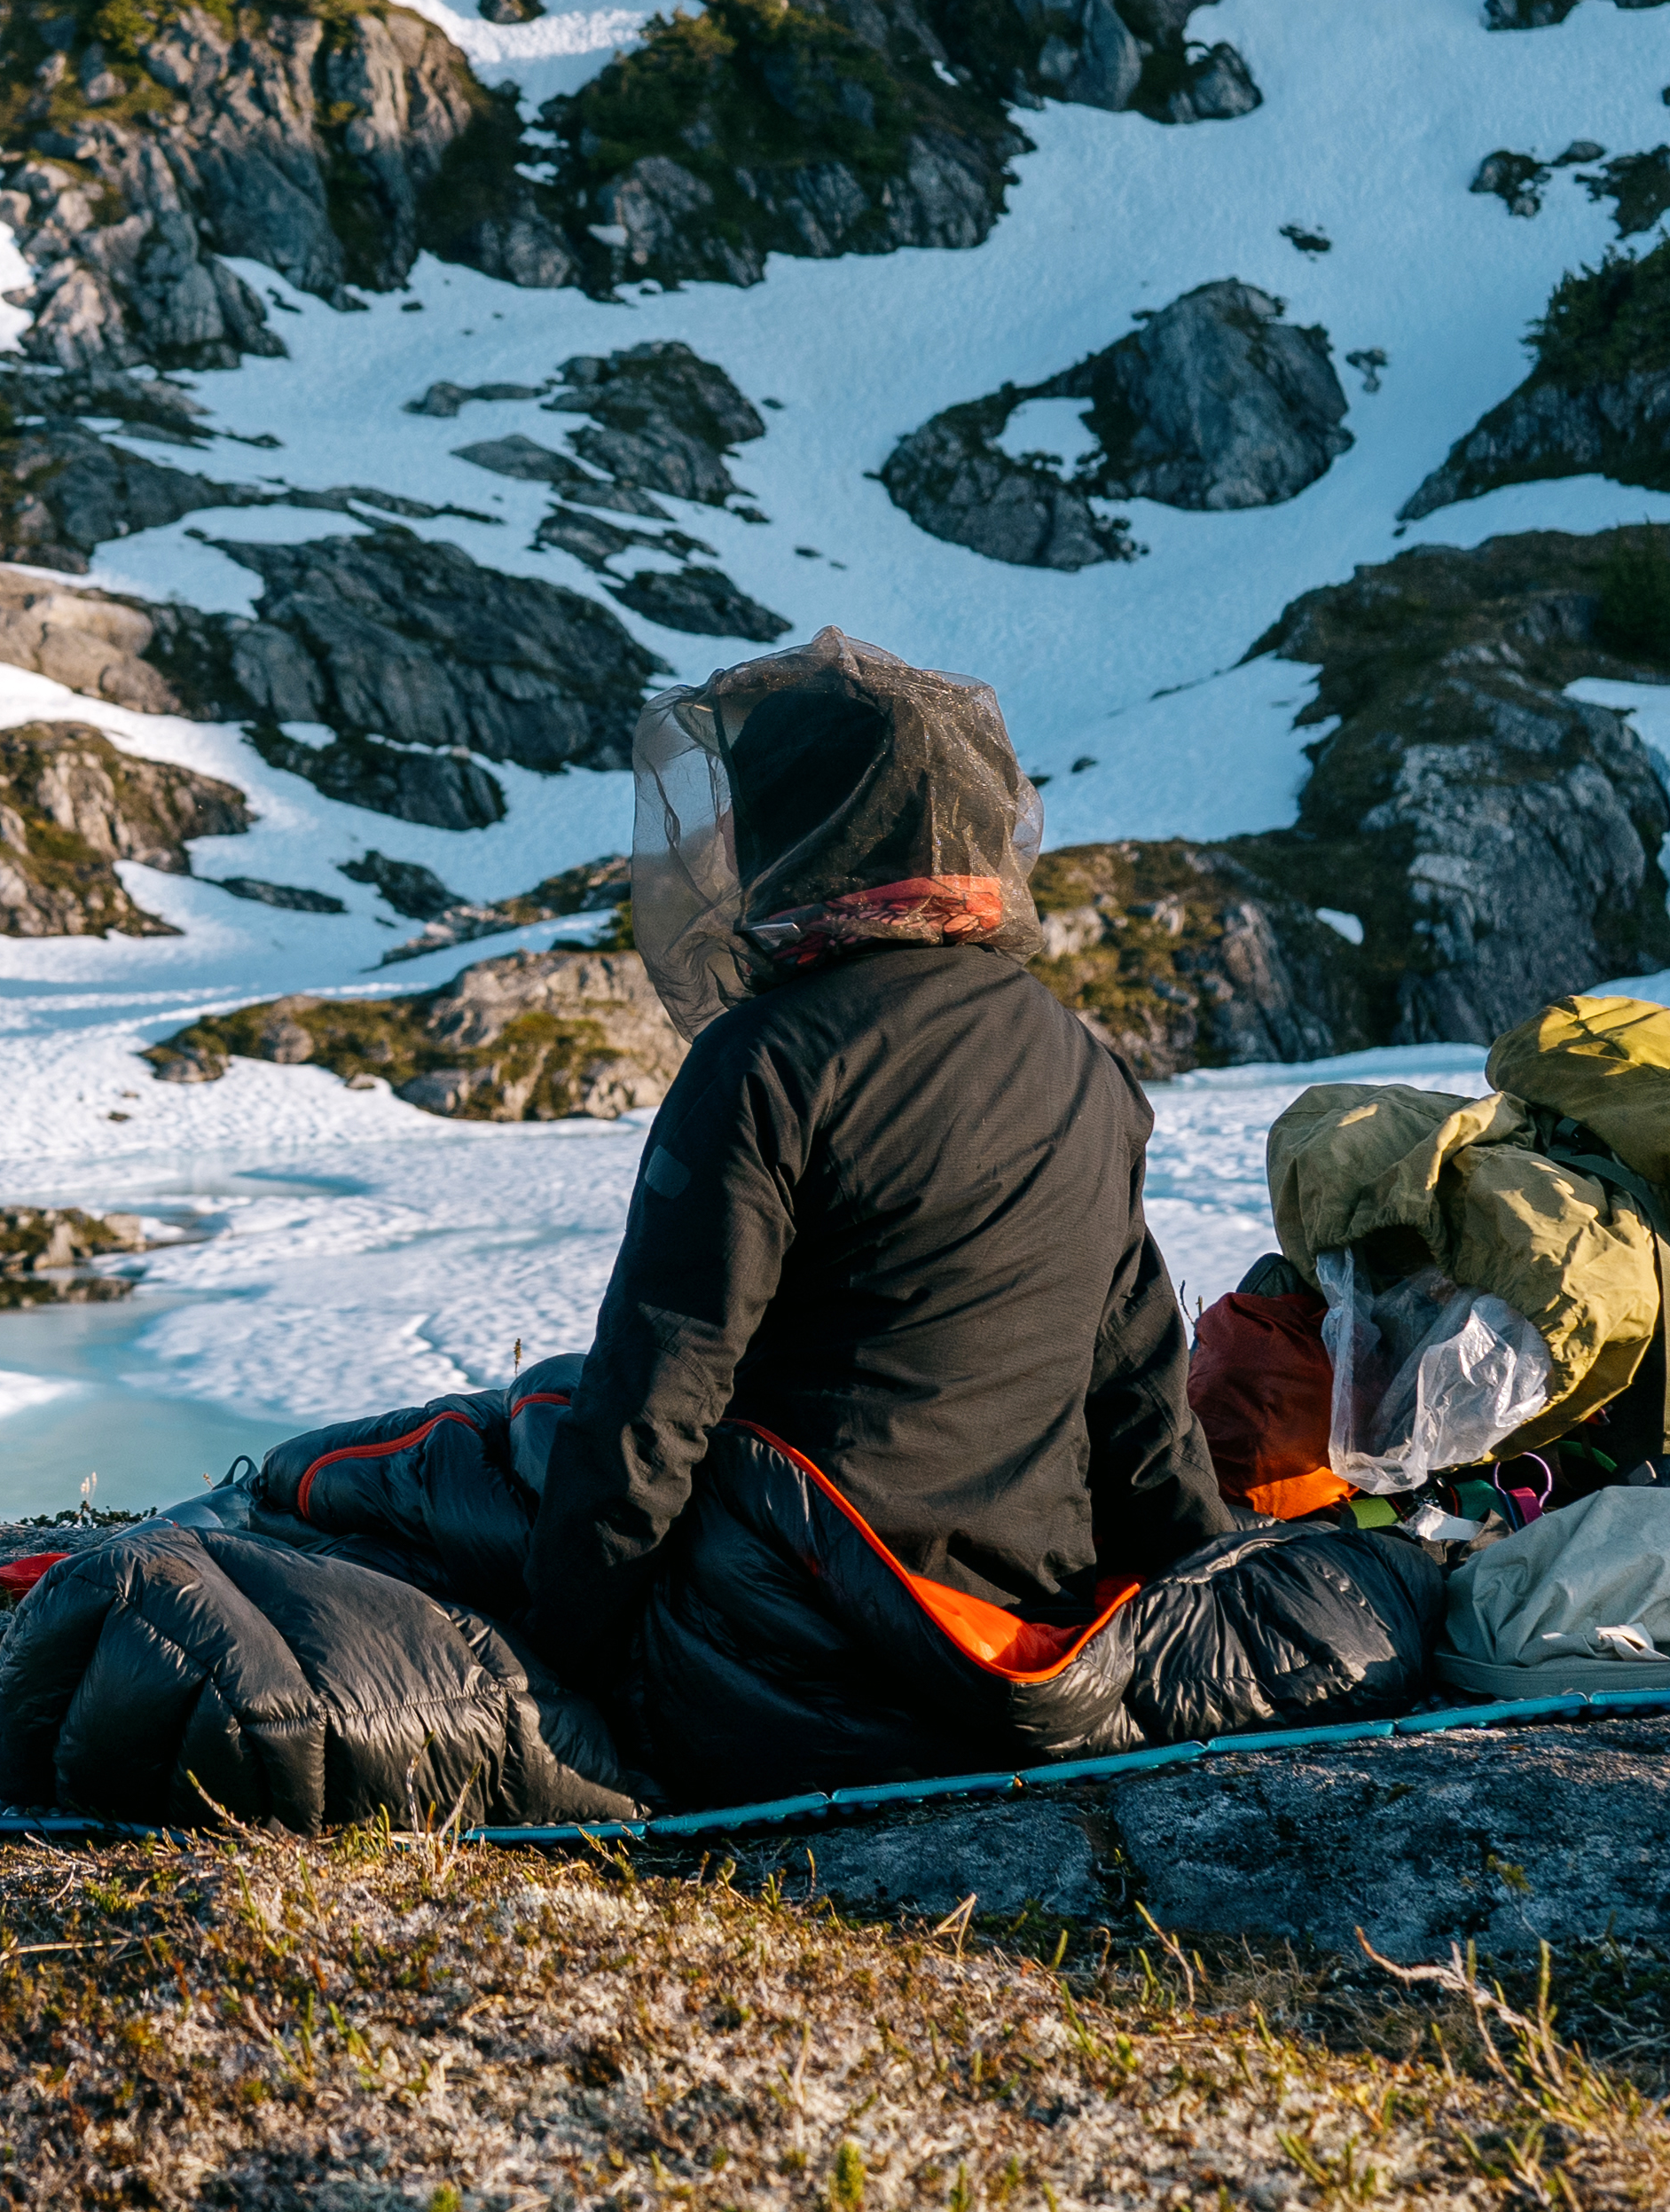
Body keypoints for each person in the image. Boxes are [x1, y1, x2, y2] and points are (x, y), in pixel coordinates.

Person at [517, 627, 1244, 1797]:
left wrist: (570, 1671)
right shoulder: (1083, 1062)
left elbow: (654, 1404)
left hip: (798, 1671)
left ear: (813, 830)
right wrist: (1211, 1632)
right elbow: (1143, 1414)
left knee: (505, 1444)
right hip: (1021, 1671)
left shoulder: (764, 1060)